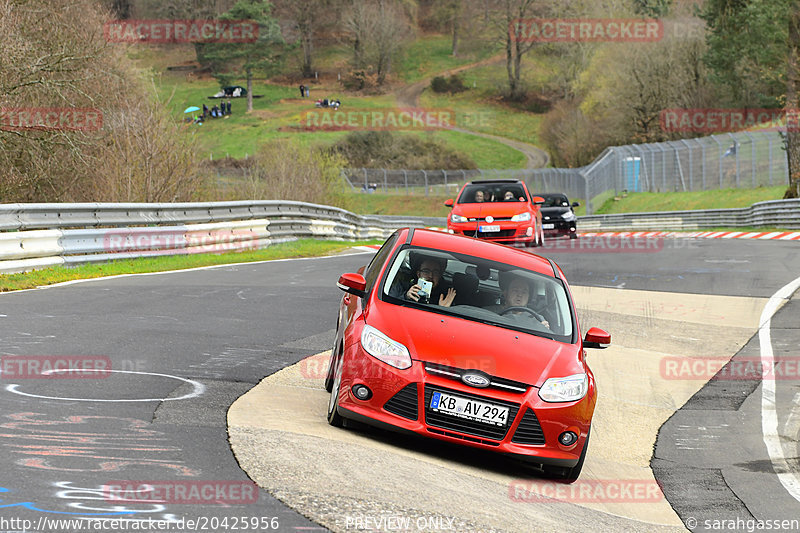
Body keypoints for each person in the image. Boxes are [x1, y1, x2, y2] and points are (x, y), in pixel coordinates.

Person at [389, 254, 456, 307]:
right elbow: (388, 306)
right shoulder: (404, 287)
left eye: (435, 272)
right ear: (418, 274)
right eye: (426, 271)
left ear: (439, 276)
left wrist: (442, 309)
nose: (431, 276)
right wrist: (405, 297)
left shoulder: (447, 296)